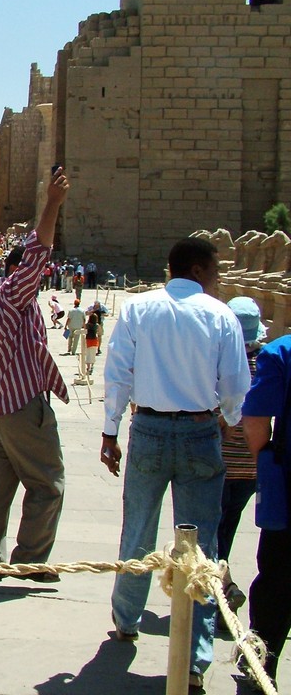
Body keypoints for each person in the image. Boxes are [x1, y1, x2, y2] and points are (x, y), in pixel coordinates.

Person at [99, 237, 251, 690]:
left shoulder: (138, 309)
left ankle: (126, 619)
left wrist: (110, 431)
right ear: (199, 270)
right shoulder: (220, 315)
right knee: (202, 546)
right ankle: (196, 658)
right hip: (200, 431)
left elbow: (118, 373)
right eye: (216, 270)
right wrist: (229, 420)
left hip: (148, 428)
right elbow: (235, 383)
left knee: (137, 528)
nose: (218, 279)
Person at [0, 164, 71, 583]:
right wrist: (52, 203)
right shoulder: (15, 295)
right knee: (48, 484)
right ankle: (29, 558)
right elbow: (37, 252)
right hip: (20, 407)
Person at [240, 332, 291, 686]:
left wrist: (267, 463)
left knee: (277, 581)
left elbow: (256, 420)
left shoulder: (282, 351)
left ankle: (262, 669)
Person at [215, 297, 265, 635]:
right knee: (226, 528)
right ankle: (221, 592)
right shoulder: (268, 363)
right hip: (252, 464)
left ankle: (223, 590)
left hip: (221, 461)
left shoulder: (224, 361)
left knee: (210, 533)